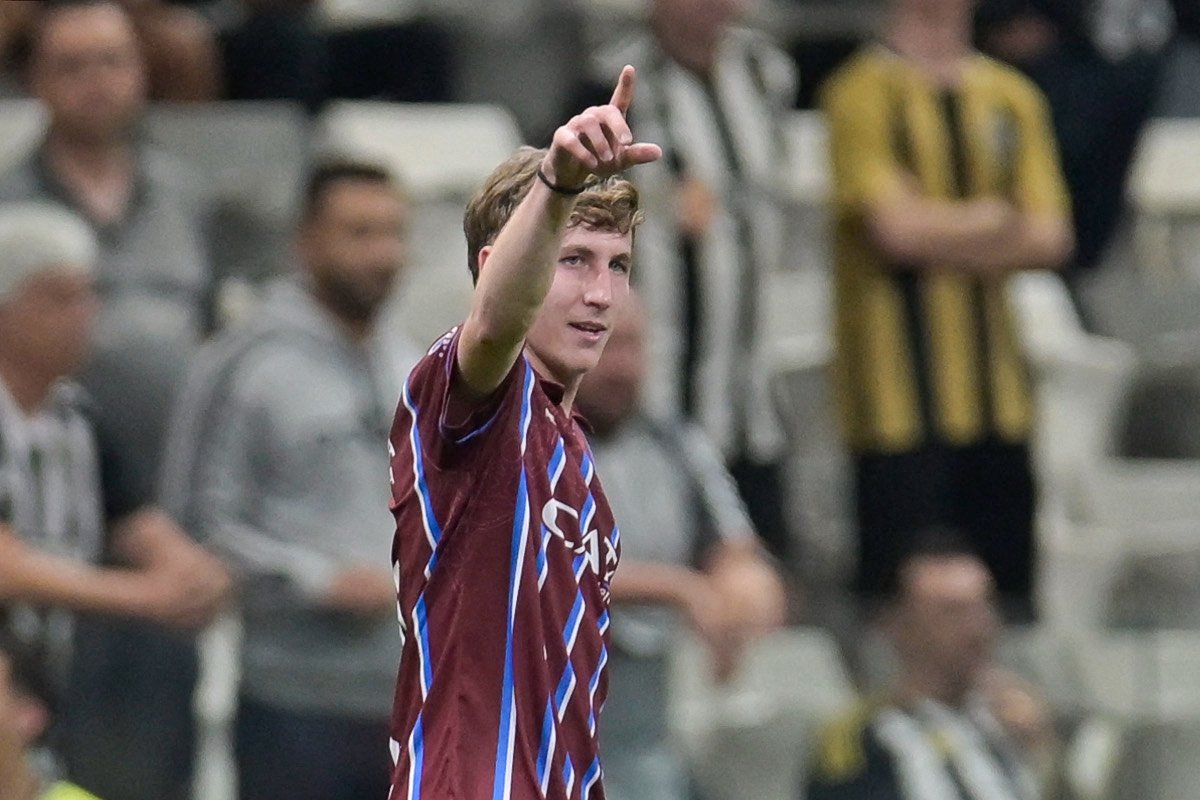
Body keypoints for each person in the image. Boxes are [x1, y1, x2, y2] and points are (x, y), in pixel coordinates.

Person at [387, 65, 660, 800]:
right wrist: (558, 183)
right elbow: (494, 325)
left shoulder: (573, 454)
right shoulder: (472, 400)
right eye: (573, 260)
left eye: (618, 266)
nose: (601, 294)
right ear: (492, 267)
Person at [0, 3, 219, 796]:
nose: (98, 82)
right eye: (73, 64)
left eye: (114, 61)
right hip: (38, 562)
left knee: (148, 764)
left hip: (145, 507)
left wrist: (181, 561)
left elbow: (206, 344)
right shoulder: (5, 194)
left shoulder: (185, 197)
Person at [160, 161, 418, 800]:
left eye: (392, 233)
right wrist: (317, 580)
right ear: (306, 242)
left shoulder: (415, 362)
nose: (382, 254)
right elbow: (196, 524)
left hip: (408, 699)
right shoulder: (245, 363)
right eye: (359, 233)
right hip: (293, 700)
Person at [820, 0, 1074, 619]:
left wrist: (937, 225)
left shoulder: (1011, 95)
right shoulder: (858, 93)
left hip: (998, 403)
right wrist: (995, 219)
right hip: (893, 406)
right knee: (895, 611)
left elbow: (1052, 236)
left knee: (1008, 608)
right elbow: (892, 231)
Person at [575, 0, 800, 560]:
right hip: (659, 382)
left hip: (750, 379)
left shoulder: (764, 71)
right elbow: (567, 204)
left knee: (761, 576)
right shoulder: (614, 77)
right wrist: (658, 207)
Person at [573, 294, 786, 800]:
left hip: (645, 727)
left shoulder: (672, 438)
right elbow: (542, 566)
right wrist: (679, 590)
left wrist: (743, 590)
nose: (622, 367)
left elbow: (736, 548)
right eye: (601, 346)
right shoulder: (516, 443)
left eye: (631, 346)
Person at [805, 530, 1059, 800]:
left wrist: (1042, 753)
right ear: (896, 625)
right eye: (952, 612)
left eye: (984, 605)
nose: (978, 628)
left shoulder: (1006, 725)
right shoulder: (862, 741)